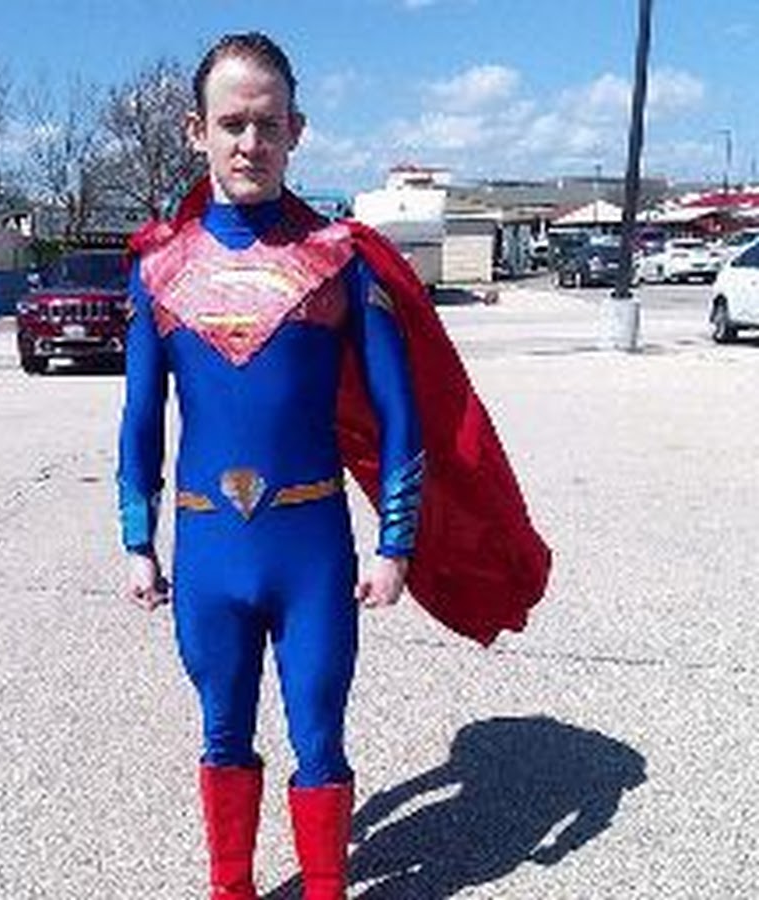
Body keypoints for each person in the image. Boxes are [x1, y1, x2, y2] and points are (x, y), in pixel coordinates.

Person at [118, 32, 550, 900]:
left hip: (310, 553)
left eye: (268, 124)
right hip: (207, 553)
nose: (250, 143)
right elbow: (139, 421)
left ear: (297, 130)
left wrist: (395, 546)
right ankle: (231, 889)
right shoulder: (158, 269)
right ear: (195, 132)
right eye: (231, 124)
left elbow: (401, 413)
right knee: (221, 731)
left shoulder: (340, 261)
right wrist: (137, 540)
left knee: (319, 737)